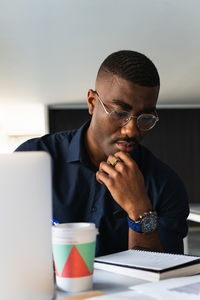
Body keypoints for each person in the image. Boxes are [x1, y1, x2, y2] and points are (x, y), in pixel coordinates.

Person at [16, 50, 189, 256]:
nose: (131, 130)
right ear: (92, 102)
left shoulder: (165, 185)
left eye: (145, 118)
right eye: (120, 113)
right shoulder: (32, 159)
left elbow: (164, 279)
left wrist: (139, 211)